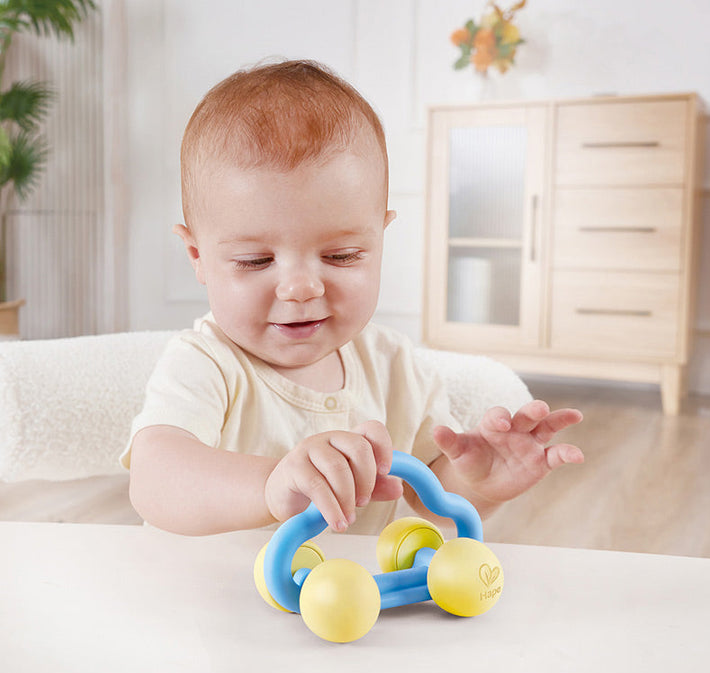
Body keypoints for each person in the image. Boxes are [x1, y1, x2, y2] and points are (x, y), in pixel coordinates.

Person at [122, 59, 583, 537]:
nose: (301, 288)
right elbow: (155, 481)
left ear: (380, 240)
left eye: (341, 255)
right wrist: (273, 484)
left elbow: (436, 500)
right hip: (206, 603)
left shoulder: (395, 367)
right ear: (198, 256)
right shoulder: (206, 364)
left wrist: (481, 484)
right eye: (256, 261)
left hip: (346, 609)